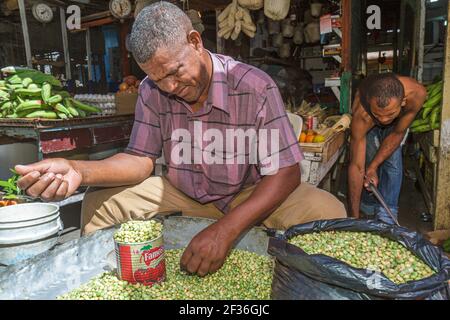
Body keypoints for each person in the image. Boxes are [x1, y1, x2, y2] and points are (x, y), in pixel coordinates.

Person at [15, 2, 346, 276]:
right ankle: (113, 282)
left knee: (330, 211)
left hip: (248, 192)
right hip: (182, 191)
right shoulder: (150, 91)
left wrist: (226, 229)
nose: (169, 87)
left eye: (174, 71)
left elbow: (286, 172)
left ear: (195, 42)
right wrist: (79, 170)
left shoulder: (254, 86)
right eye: (158, 79)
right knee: (98, 203)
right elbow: (140, 159)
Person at [348, 73, 427, 224]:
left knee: (393, 163)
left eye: (389, 114)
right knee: (367, 160)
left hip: (396, 125)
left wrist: (374, 167)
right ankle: (367, 207)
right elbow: (356, 166)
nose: (384, 120)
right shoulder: (363, 114)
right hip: (368, 120)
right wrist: (353, 219)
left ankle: (387, 216)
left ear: (403, 102)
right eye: (379, 115)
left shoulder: (417, 94)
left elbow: (397, 133)